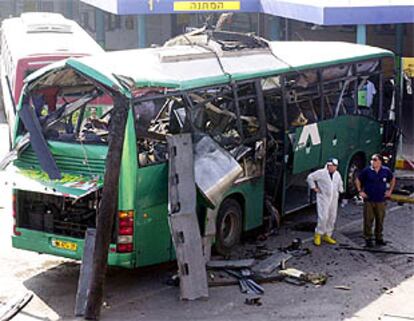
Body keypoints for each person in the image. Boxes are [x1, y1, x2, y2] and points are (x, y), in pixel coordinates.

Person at [355, 154, 396, 247]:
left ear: (380, 162)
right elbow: (358, 179)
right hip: (369, 200)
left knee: (380, 220)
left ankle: (379, 238)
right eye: (372, 160)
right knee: (368, 220)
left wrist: (390, 191)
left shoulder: (386, 171)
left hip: (381, 200)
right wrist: (360, 191)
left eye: (375, 160)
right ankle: (368, 238)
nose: (372, 161)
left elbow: (392, 179)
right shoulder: (367, 171)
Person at [307, 158, 344, 246]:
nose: (333, 168)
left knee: (332, 216)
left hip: (334, 198)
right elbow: (310, 177)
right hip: (323, 198)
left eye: (335, 166)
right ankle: (318, 234)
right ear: (328, 165)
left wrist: (341, 191)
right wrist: (314, 188)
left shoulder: (337, 174)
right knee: (323, 217)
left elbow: (340, 183)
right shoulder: (321, 173)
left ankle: (327, 234)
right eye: (332, 166)